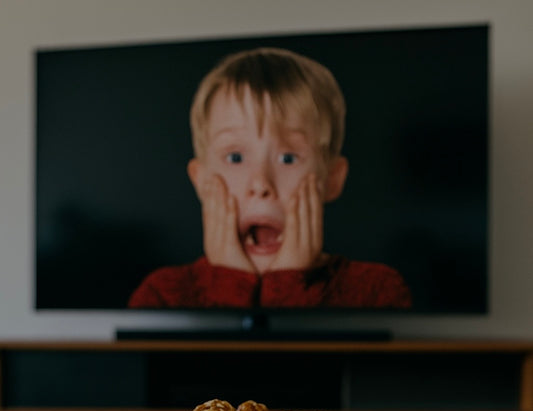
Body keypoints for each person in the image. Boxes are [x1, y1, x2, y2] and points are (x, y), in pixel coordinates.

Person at [128, 47, 412, 309]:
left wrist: (289, 282)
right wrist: (229, 281)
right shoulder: (162, 295)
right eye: (235, 157)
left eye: (288, 158)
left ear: (333, 179)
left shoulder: (375, 291)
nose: (261, 184)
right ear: (201, 181)